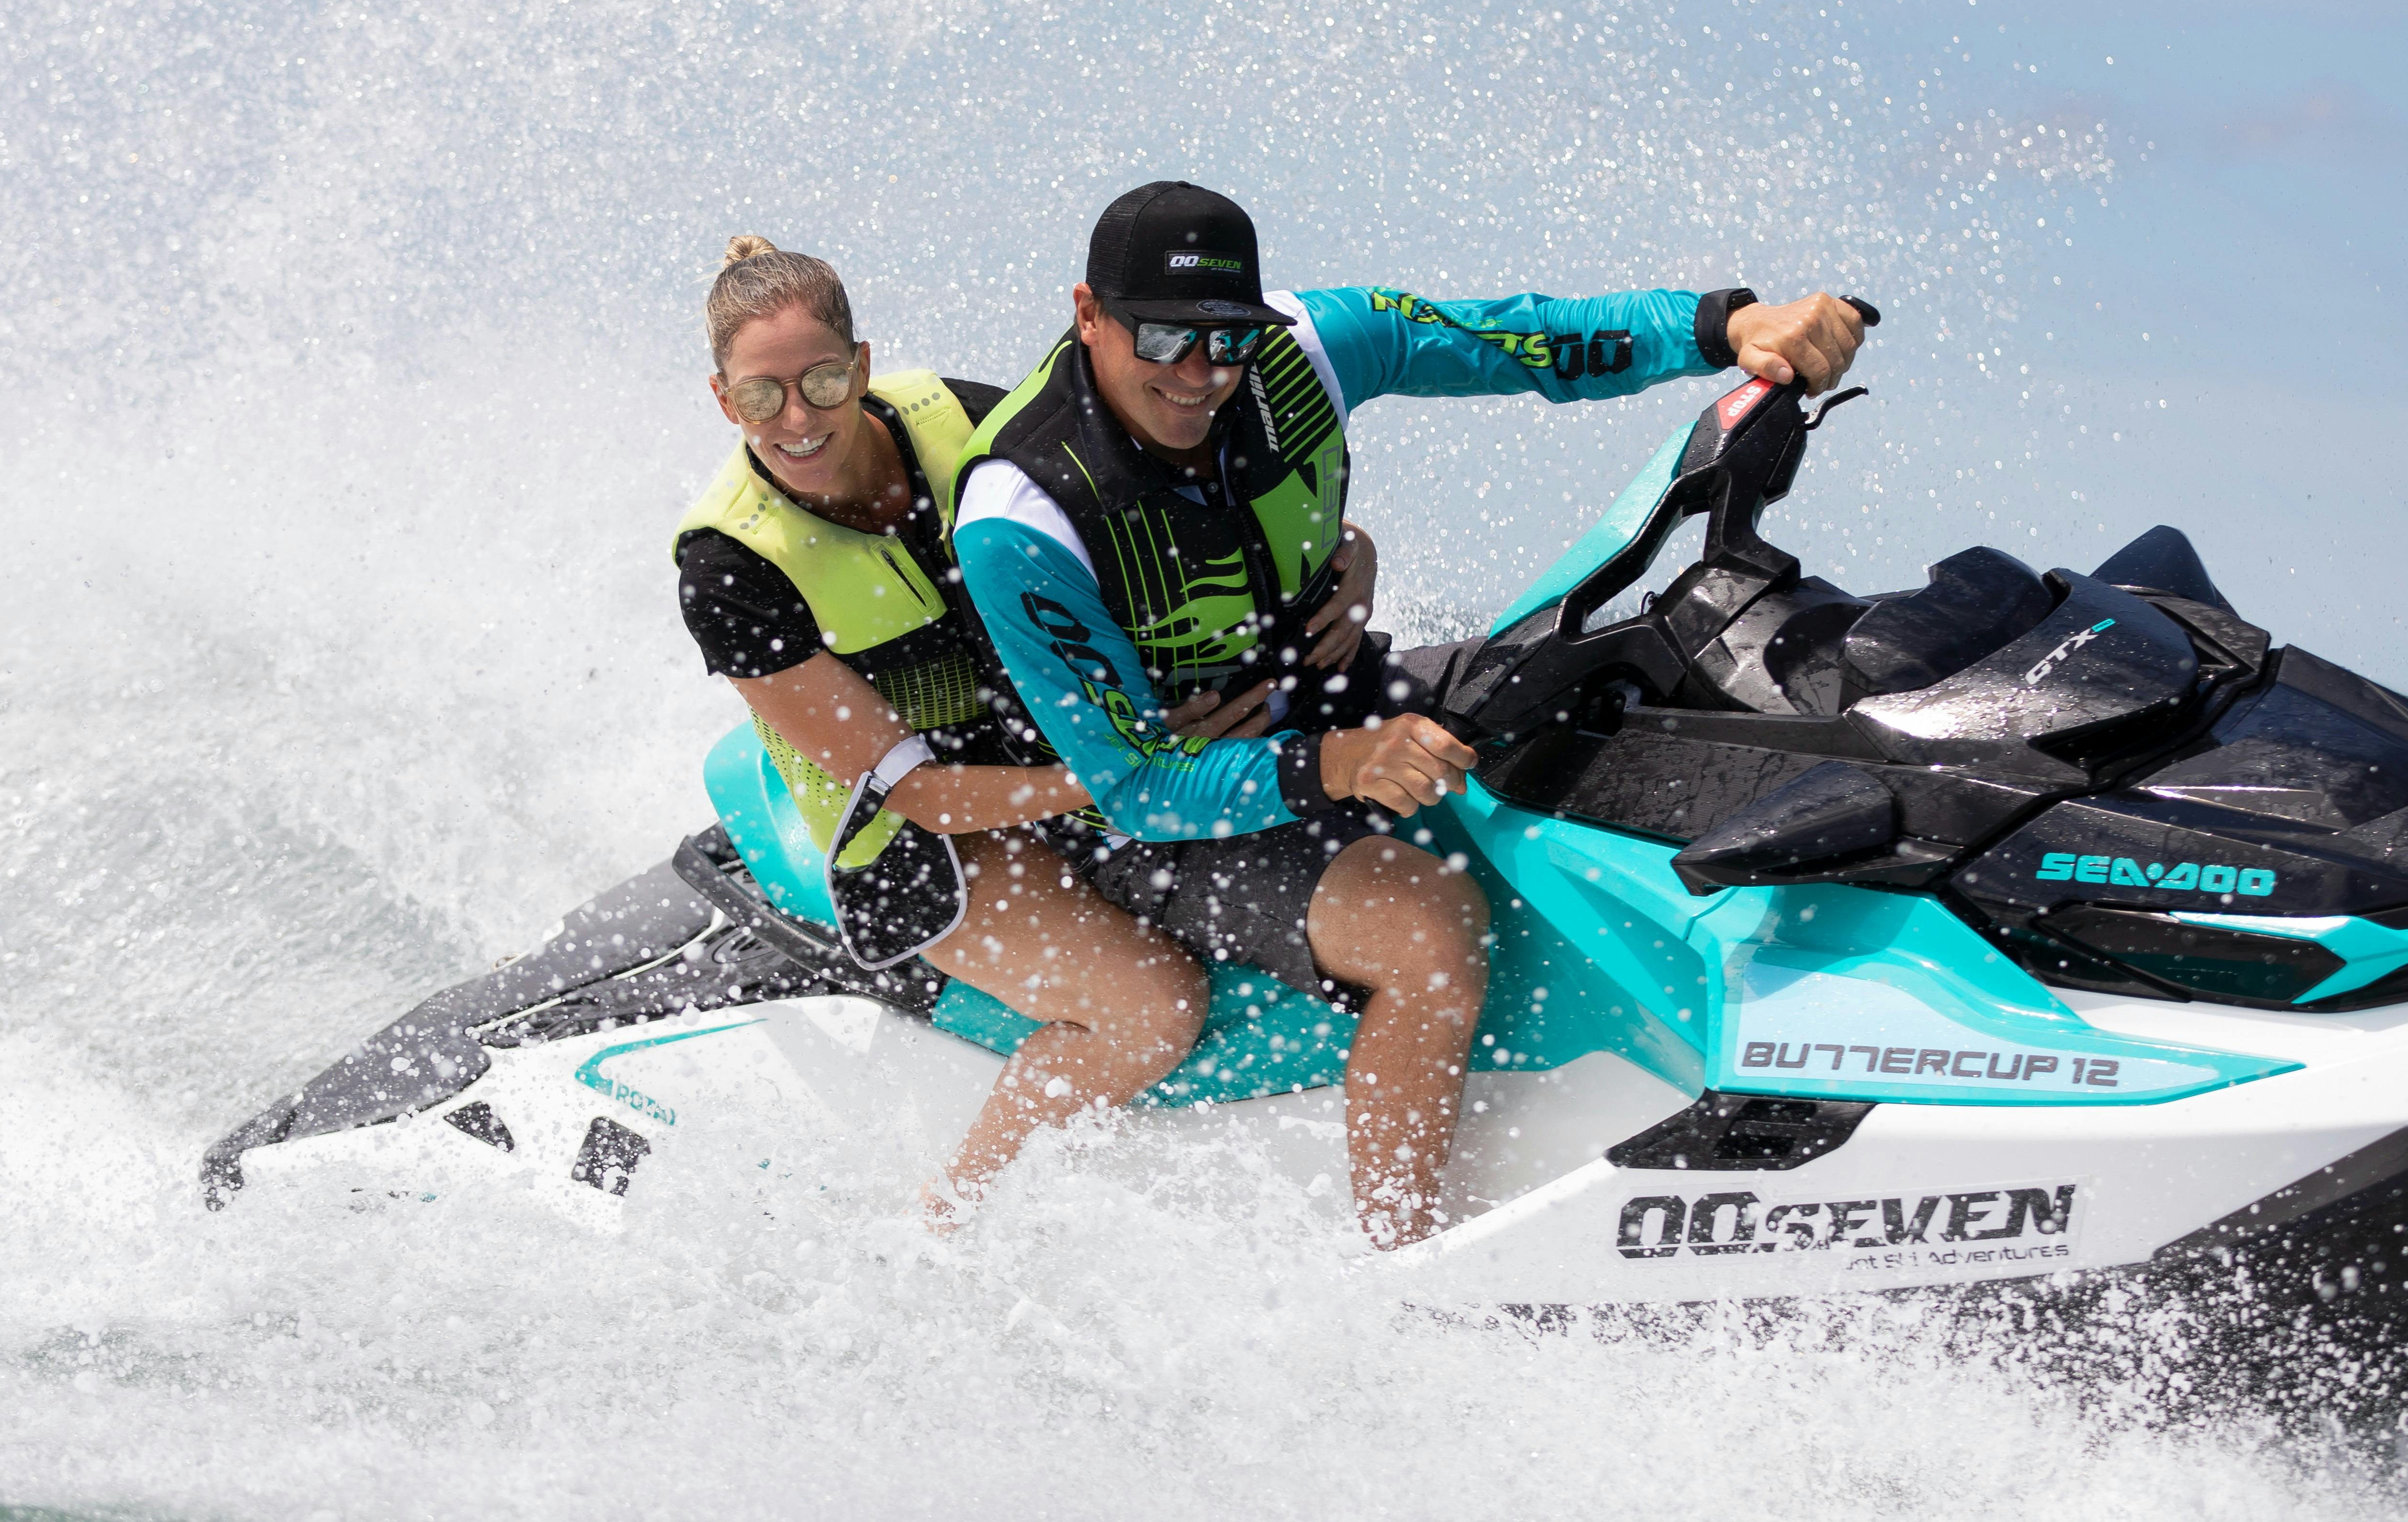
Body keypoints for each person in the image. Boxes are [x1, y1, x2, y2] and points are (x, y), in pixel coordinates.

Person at [949, 182, 1869, 1246]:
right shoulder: (1023, 517)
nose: (1200, 376)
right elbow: (1135, 787)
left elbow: (1512, 338)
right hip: (1169, 804)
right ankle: (1404, 1258)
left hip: (1331, 693)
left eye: (1225, 340)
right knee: (1429, 937)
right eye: (1164, 338)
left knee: (1635, 711)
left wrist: (1720, 327)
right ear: (1088, 313)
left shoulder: (1306, 349)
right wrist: (1338, 766)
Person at [672, 235, 1373, 1221]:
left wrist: (1344, 546)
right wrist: (1119, 777)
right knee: (1152, 1006)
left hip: (1063, 742)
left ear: (863, 367)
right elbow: (915, 792)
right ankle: (955, 1209)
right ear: (722, 400)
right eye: (761, 397)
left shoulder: (961, 416)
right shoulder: (729, 568)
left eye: (823, 380)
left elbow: (1162, 519)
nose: (797, 418)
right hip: (918, 836)